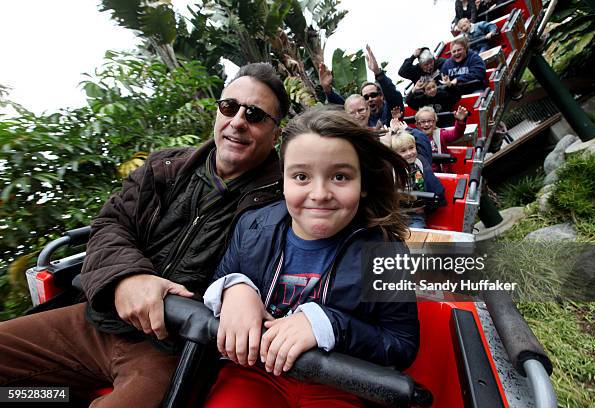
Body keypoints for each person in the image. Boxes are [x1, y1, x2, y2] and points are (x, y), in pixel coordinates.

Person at [0, 63, 290, 406]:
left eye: (255, 115)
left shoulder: (284, 198)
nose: (238, 121)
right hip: (99, 319)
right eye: (229, 107)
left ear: (275, 133)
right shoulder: (165, 167)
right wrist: (129, 277)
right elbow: (111, 224)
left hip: (171, 347)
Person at [202, 108, 420, 407]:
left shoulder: (385, 252)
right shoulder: (252, 226)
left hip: (341, 381)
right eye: (301, 176)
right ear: (284, 180)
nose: (319, 194)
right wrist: (234, 288)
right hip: (254, 372)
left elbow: (401, 344)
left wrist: (330, 325)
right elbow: (219, 279)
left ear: (364, 185)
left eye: (340, 176)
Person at [318, 45, 404, 128]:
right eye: (366, 97)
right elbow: (344, 107)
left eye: (373, 95)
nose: (370, 99)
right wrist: (327, 89)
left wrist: (378, 72)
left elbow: (393, 95)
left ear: (381, 96)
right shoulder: (359, 116)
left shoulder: (392, 109)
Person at [390, 131, 446, 228]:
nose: (409, 153)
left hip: (414, 214)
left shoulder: (420, 162)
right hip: (394, 213)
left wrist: (408, 129)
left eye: (411, 148)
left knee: (417, 231)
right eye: (403, 151)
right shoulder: (391, 168)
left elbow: (423, 140)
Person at [415, 106, 469, 173]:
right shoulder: (414, 138)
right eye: (423, 122)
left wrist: (460, 122)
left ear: (435, 122)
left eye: (429, 121)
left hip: (442, 172)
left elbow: (456, 134)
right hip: (423, 173)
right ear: (417, 124)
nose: (426, 124)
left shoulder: (440, 134)